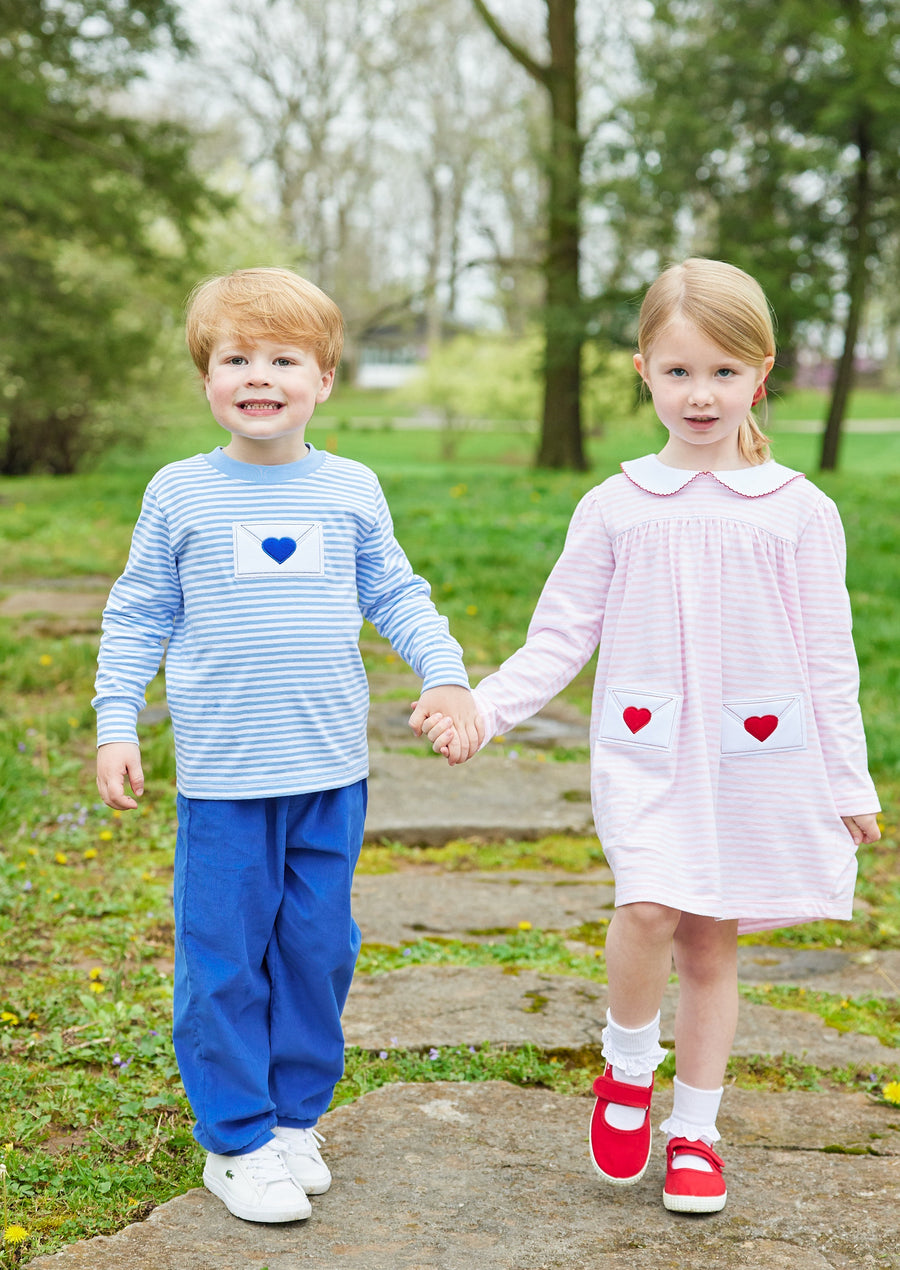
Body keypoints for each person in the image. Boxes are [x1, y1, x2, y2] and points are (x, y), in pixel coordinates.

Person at [411, 257, 880, 1214]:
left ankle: (697, 1132)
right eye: (677, 372)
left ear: (762, 371)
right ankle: (627, 1067)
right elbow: (558, 639)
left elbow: (831, 660)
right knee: (650, 908)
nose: (699, 394)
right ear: (643, 372)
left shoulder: (799, 512)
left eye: (722, 371)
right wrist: (483, 709)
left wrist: (847, 781)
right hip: (650, 749)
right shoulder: (615, 506)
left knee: (712, 944)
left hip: (756, 757)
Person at [94, 266, 482, 1225]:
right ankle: (234, 1139)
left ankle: (292, 1119)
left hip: (328, 776)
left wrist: (445, 674)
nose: (258, 376)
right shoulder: (180, 494)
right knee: (223, 956)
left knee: (318, 948)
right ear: (207, 377)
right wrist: (115, 722)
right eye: (236, 358)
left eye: (283, 359)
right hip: (226, 781)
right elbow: (139, 613)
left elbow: (396, 592)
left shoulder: (350, 488)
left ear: (324, 379)